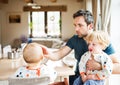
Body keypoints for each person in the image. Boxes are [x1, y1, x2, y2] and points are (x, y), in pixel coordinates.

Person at [44, 9, 120, 85]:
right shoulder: (75, 39)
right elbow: (59, 54)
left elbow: (118, 68)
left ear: (90, 26)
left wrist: (99, 66)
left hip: (94, 80)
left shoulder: (101, 41)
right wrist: (46, 53)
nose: (76, 29)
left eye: (80, 25)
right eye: (75, 25)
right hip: (77, 78)